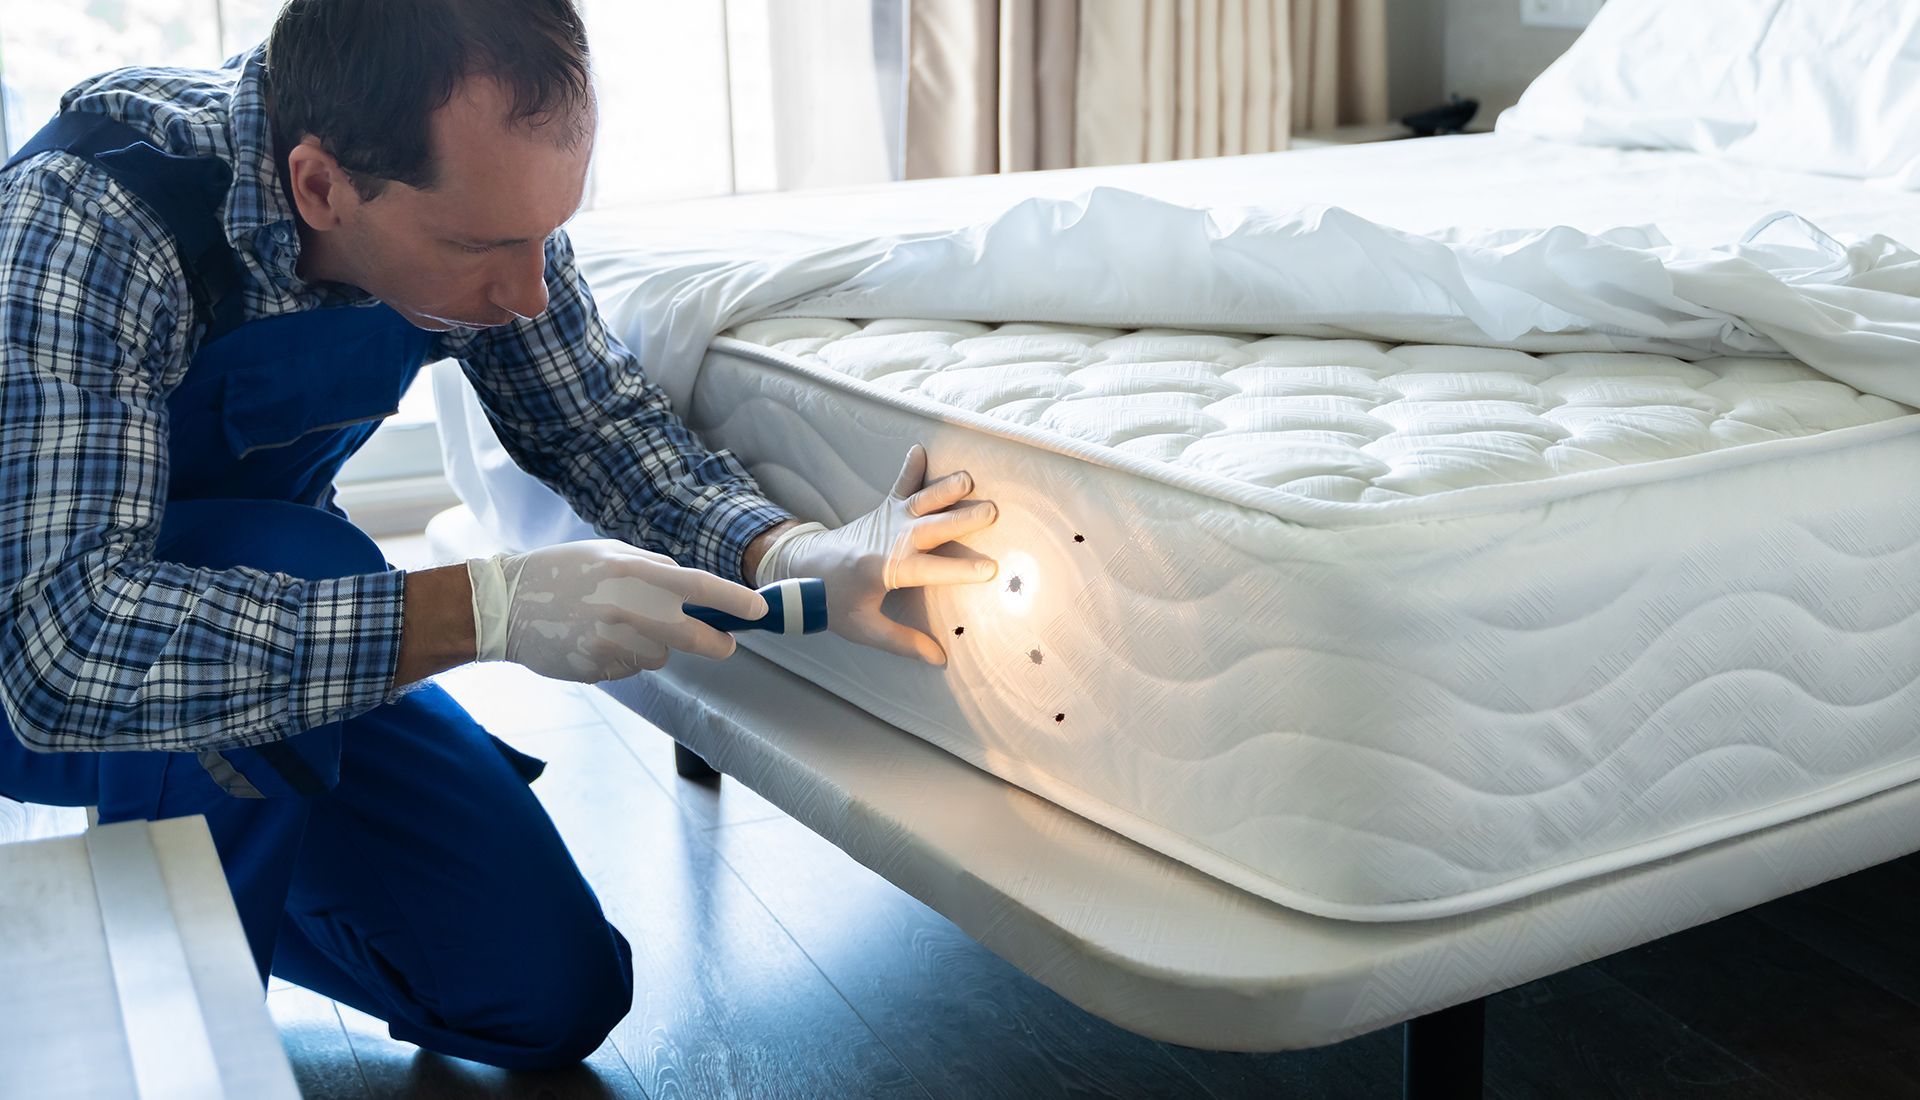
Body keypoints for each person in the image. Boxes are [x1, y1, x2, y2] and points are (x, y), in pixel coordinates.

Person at [0, 0, 997, 1069]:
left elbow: (594, 427)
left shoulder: (467, 211)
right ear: (321, 187)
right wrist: (484, 609)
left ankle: (132, 904)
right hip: (44, 668)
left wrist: (787, 552)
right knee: (301, 555)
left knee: (547, 993)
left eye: (547, 235)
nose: (529, 291)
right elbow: (59, 650)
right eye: (483, 246)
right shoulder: (94, 217)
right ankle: (159, 1045)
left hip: (262, 671)